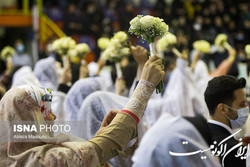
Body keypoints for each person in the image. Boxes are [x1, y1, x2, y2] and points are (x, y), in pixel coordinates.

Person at [0, 55, 164, 166]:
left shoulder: (13, 156)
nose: (53, 116)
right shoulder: (43, 160)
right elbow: (103, 147)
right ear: (28, 118)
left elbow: (87, 155)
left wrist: (99, 137)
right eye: (44, 112)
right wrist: (145, 87)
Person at [205, 75, 248, 167]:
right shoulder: (234, 150)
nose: (246, 108)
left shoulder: (201, 134)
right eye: (242, 104)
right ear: (223, 109)